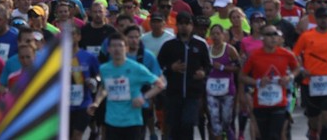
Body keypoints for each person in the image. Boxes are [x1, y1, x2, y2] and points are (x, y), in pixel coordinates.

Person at [92, 33, 165, 140]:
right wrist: (96, 103)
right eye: (113, 46)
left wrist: (144, 97)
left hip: (132, 121)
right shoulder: (104, 69)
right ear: (108, 49)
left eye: (120, 46)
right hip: (112, 120)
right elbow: (103, 88)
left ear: (126, 48)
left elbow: (160, 84)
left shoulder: (137, 68)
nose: (117, 49)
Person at [292, 4, 327, 140]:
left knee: (326, 118)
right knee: (313, 118)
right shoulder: (306, 36)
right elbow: (295, 54)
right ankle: (312, 130)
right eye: (320, 18)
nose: (323, 20)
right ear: (315, 19)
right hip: (310, 80)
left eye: (325, 17)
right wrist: (301, 68)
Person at [239, 21, 299, 140]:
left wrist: (289, 77)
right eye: (269, 34)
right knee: (262, 136)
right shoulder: (255, 56)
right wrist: (257, 82)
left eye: (275, 34)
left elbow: (297, 68)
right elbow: (242, 76)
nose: (273, 37)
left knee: (275, 135)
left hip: (279, 102)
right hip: (261, 102)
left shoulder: (286, 54)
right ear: (262, 38)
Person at [155, 10, 210, 140]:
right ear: (177, 25)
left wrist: (203, 73)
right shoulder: (169, 45)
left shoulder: (200, 44)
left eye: (187, 23)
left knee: (188, 124)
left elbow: (208, 65)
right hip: (174, 93)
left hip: (193, 93)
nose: (184, 26)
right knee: (174, 126)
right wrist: (171, 67)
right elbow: (158, 66)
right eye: (181, 23)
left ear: (192, 25)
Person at [205, 24, 240, 140]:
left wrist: (222, 67)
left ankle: (230, 135)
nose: (215, 36)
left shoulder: (230, 50)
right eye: (213, 34)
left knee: (226, 120)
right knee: (214, 120)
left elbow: (238, 68)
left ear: (223, 35)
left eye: (218, 33)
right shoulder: (207, 50)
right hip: (211, 91)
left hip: (227, 90)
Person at [69, 24, 101, 140]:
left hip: (83, 103)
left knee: (77, 135)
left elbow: (99, 74)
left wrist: (94, 81)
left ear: (78, 37)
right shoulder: (58, 57)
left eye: (72, 34)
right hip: (65, 105)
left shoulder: (88, 56)